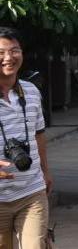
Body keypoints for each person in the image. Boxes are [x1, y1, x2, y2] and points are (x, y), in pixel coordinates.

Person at [0, 27, 52, 248]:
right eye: (1, 52)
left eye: (15, 50)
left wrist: (46, 171)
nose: (8, 58)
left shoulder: (31, 91)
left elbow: (39, 135)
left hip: (32, 192)